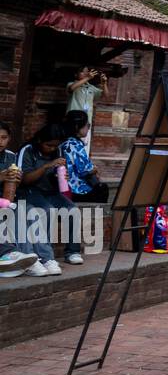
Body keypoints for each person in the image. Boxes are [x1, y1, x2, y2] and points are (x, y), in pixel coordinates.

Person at [14, 123, 70, 277]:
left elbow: (55, 176)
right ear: (39, 140)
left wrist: (61, 175)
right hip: (26, 192)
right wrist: (47, 166)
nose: (52, 148)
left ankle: (47, 258)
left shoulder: (57, 150)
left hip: (48, 191)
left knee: (68, 210)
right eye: (48, 145)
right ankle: (37, 258)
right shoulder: (27, 150)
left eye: (55, 145)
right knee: (43, 211)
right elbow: (24, 180)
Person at [60, 110, 110, 265]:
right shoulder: (74, 144)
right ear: (78, 127)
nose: (88, 128)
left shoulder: (63, 142)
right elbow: (84, 170)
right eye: (87, 125)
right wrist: (94, 169)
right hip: (77, 190)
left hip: (68, 187)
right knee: (103, 189)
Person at [0, 122, 38, 277]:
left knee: (26, 211)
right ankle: (10, 254)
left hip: (5, 200)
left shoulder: (10, 156)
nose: (0, 141)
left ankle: (28, 259)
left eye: (4, 137)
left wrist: (17, 178)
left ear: (9, 138)